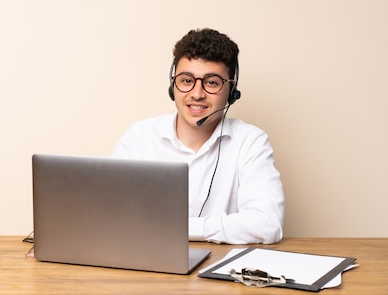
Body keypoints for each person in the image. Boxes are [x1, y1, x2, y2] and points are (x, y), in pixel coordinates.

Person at [112, 28, 284, 244]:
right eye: (186, 80)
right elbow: (111, 215)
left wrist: (181, 227)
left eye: (211, 82)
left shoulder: (250, 142)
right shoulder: (139, 137)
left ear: (231, 91)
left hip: (219, 269)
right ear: (172, 84)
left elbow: (267, 224)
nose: (197, 94)